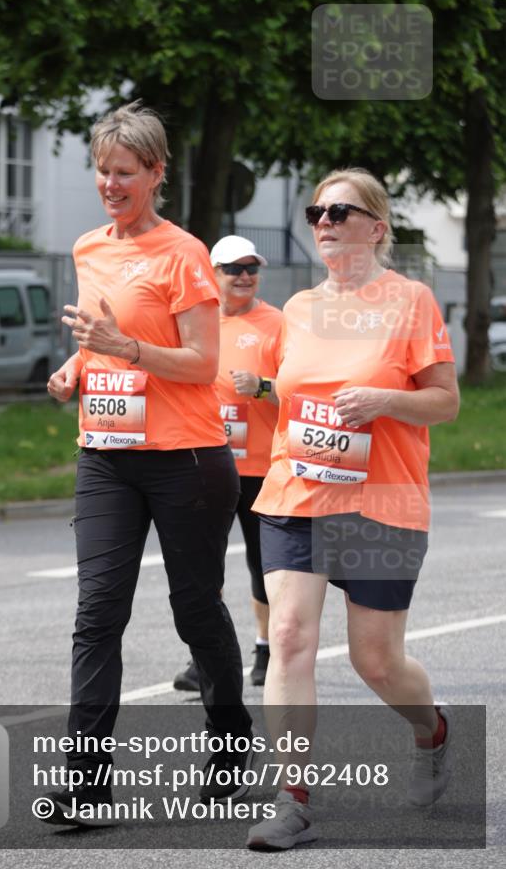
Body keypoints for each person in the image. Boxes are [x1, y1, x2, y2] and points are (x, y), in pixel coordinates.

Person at [45, 101, 252, 825]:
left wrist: (122, 348)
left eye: (124, 173)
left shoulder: (184, 253)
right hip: (105, 454)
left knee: (194, 609)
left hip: (186, 460)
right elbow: (105, 334)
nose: (110, 184)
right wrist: (78, 362)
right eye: (102, 171)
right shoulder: (88, 249)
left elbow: (201, 363)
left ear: (155, 174)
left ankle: (231, 748)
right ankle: (85, 784)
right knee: (96, 613)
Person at [245, 168, 459, 852]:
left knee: (376, 662)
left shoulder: (410, 300)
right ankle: (291, 798)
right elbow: (294, 394)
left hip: (382, 502)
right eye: (316, 212)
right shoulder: (299, 308)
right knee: (288, 636)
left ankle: (430, 730)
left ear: (376, 226)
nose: (325, 222)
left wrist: (384, 400)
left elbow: (445, 401)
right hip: (296, 495)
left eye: (341, 211)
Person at [173, 235, 281, 692]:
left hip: (261, 467)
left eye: (251, 268)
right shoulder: (196, 323)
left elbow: (300, 390)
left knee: (263, 567)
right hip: (207, 463)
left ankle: (266, 649)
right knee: (204, 567)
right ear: (213, 274)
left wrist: (260, 385)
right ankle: (207, 658)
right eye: (233, 268)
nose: (243, 276)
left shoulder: (277, 323)